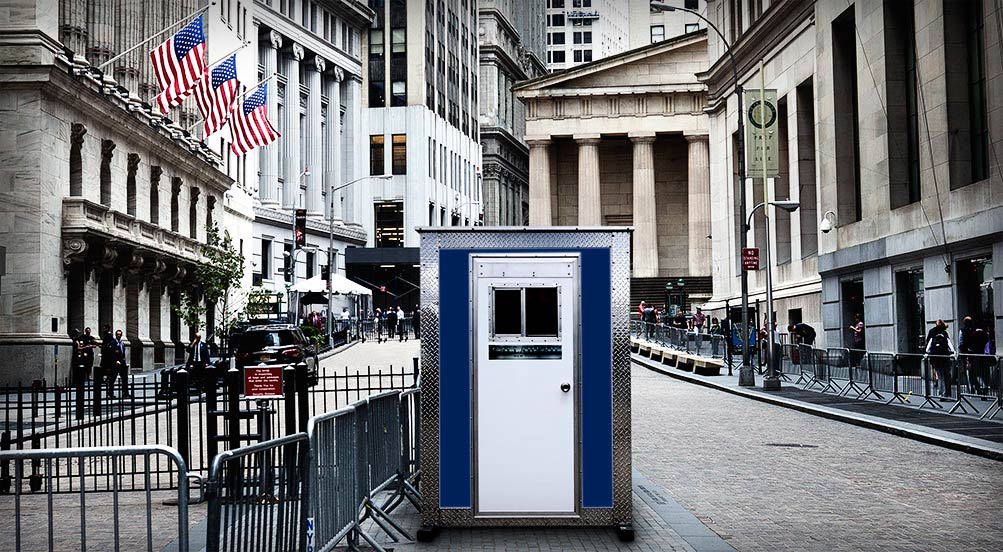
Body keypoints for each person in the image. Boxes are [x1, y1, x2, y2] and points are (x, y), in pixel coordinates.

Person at [926, 320, 955, 399]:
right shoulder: (944, 334)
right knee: (946, 375)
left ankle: (941, 393)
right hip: (945, 358)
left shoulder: (932, 333)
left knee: (939, 376)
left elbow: (927, 349)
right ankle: (946, 393)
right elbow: (951, 348)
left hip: (936, 358)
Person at [106, 329, 131, 398]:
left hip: (122, 363)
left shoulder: (122, 343)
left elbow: (122, 353)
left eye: (120, 334)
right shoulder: (112, 343)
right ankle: (110, 394)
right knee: (112, 379)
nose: (119, 336)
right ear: (115, 335)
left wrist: (124, 362)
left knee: (124, 379)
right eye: (117, 334)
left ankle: (125, 393)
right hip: (115, 364)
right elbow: (111, 353)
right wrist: (115, 360)